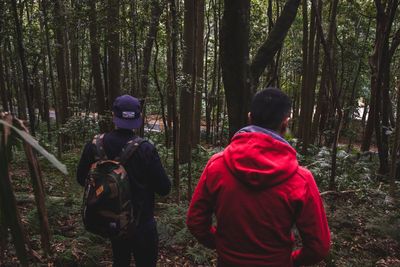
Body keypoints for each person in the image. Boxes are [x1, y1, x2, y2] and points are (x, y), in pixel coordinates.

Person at [186, 88, 330, 266]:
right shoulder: (301, 179)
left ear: (249, 117)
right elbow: (319, 246)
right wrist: (290, 261)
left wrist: (222, 245)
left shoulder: (217, 165)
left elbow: (195, 222)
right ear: (285, 123)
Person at [77, 94, 171, 267]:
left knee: (120, 261)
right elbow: (164, 188)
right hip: (142, 223)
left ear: (114, 116)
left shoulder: (95, 145)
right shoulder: (145, 149)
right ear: (138, 119)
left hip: (113, 221)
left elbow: (81, 179)